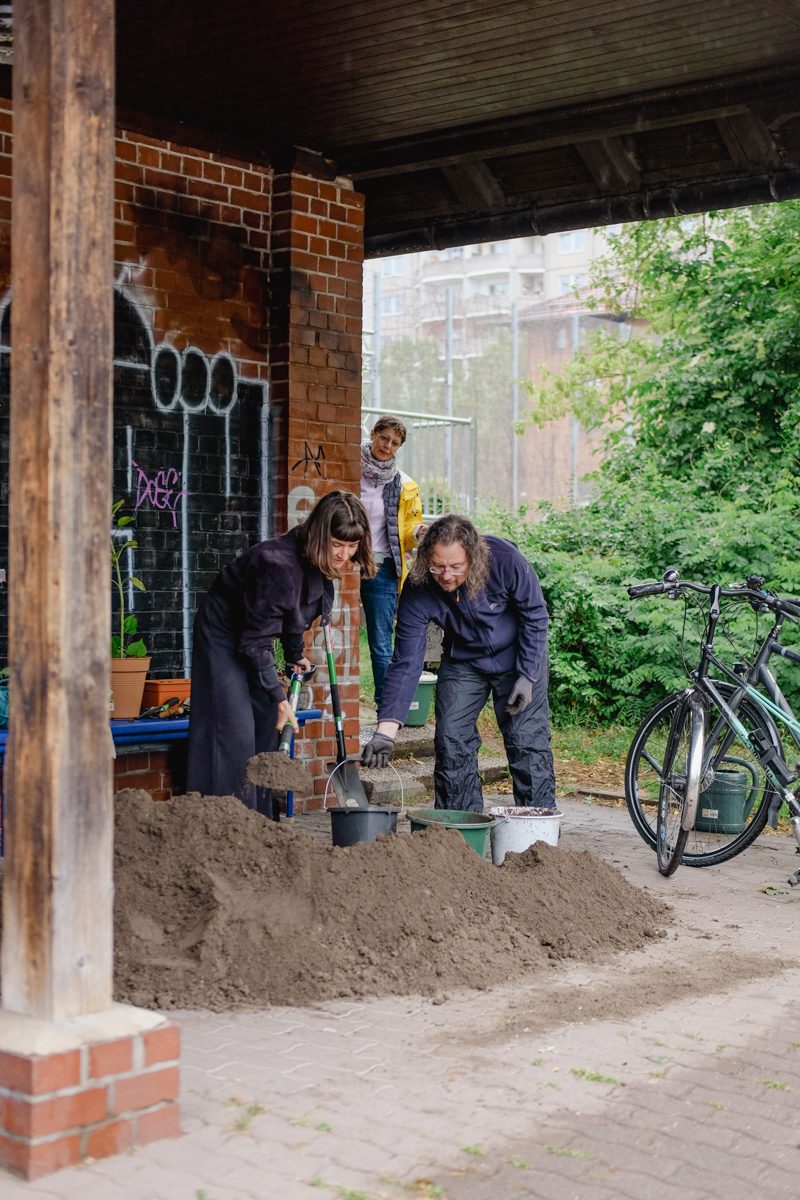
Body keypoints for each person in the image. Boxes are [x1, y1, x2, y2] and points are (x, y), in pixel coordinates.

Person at [187, 491, 375, 815]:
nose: (345, 554)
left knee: (263, 725)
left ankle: (258, 820)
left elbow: (293, 613)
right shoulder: (277, 564)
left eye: (352, 545)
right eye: (337, 544)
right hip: (223, 634)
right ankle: (222, 824)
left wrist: (294, 654)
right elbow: (255, 641)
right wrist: (280, 696)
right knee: (234, 731)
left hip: (253, 636)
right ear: (319, 535)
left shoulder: (316, 558)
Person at [360, 513, 555, 812]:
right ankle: (460, 831)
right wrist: (385, 732)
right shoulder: (419, 586)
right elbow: (406, 662)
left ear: (473, 558)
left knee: (526, 741)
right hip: (464, 660)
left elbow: (535, 616)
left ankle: (537, 830)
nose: (446, 576)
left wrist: (528, 676)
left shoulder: (504, 559)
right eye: (438, 566)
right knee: (451, 737)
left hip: (519, 656)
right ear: (425, 559)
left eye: (455, 567)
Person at [360, 415, 423, 710]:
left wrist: (418, 533)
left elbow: (408, 533)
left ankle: (386, 707)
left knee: (381, 641)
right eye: (384, 438)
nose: (387, 446)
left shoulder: (405, 485)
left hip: (382, 567)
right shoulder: (350, 468)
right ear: (373, 434)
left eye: (395, 443)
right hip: (342, 562)